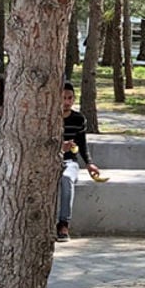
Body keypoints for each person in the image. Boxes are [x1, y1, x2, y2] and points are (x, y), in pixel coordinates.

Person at [56, 81, 103, 242]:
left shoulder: (78, 119)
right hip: (49, 161)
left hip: (69, 161)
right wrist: (60, 147)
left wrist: (89, 164)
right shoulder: (48, 118)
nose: (67, 102)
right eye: (63, 98)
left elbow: (82, 145)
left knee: (67, 178)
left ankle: (63, 224)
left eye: (70, 98)